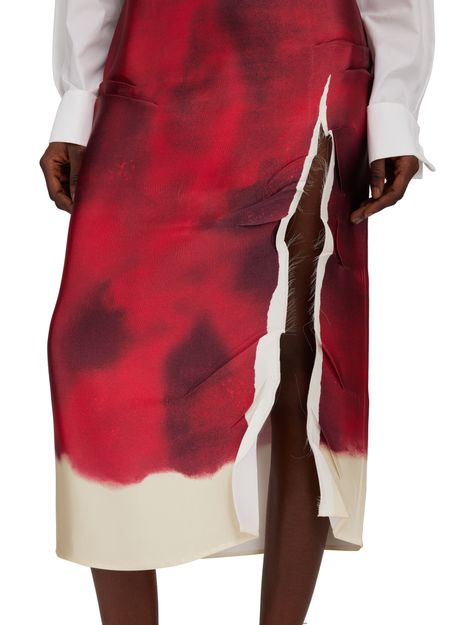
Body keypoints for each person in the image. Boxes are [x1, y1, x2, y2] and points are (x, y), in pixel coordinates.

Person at [39, 1, 435, 624]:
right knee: (96, 354)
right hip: (152, 67)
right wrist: (79, 102)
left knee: (296, 361)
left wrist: (393, 110)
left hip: (306, 65)